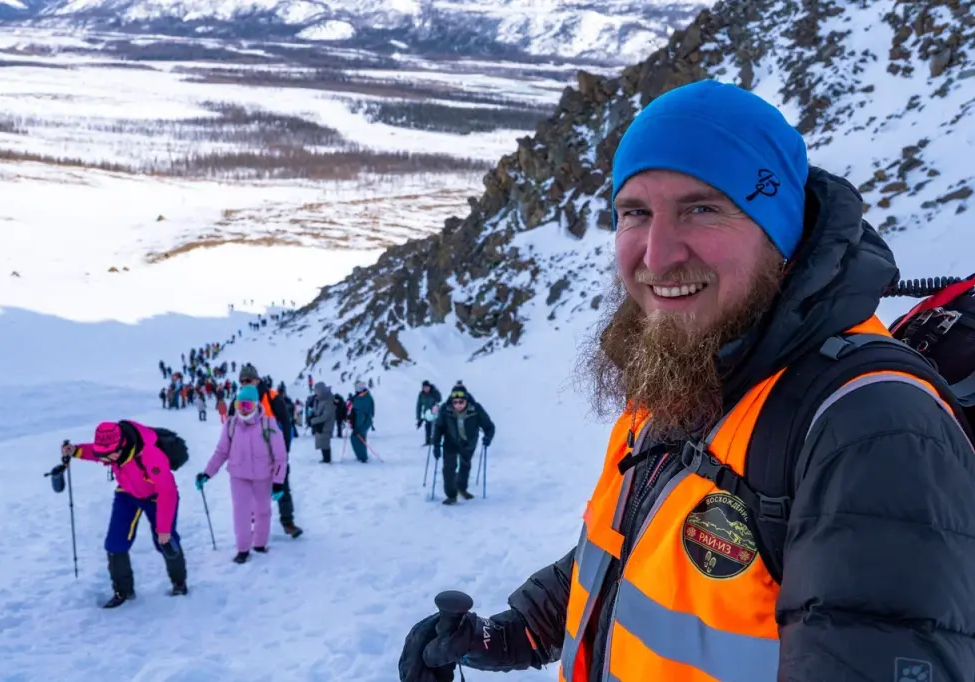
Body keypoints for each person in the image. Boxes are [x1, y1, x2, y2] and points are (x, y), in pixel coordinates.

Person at [398, 80, 975, 681]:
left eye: (702, 208)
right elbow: (631, 551)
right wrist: (513, 634)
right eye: (636, 213)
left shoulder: (871, 431)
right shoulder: (702, 365)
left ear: (780, 232)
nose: (659, 253)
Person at [55, 421, 187, 608]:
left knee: (165, 541)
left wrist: (164, 529)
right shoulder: (112, 451)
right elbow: (97, 451)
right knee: (115, 543)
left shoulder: (150, 455)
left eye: (107, 456)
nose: (105, 460)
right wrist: (75, 451)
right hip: (127, 492)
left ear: (122, 446)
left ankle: (179, 582)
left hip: (157, 497)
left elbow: (168, 492)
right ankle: (123, 591)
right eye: (103, 456)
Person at [196, 386, 287, 563]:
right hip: (238, 475)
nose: (243, 409)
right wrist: (207, 473)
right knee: (241, 513)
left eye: (247, 405)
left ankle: (260, 543)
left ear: (256, 405)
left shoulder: (269, 424)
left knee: (263, 511)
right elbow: (221, 452)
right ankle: (243, 549)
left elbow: (280, 457)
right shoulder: (231, 425)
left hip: (263, 476)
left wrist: (278, 482)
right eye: (239, 405)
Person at [230, 363, 303, 538]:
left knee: (282, 486)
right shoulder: (238, 399)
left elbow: (286, 423)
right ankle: (256, 526)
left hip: (275, 452)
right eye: (242, 381)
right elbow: (232, 427)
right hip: (251, 456)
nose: (246, 383)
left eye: (249, 379)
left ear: (257, 379)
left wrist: (284, 450)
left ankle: (288, 522)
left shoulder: (272, 397)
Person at [430, 385, 494, 505]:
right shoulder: (445, 409)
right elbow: (439, 428)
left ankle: (461, 488)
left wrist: (488, 437)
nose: (458, 405)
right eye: (455, 402)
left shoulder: (476, 409)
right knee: (449, 468)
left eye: (461, 402)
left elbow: (489, 426)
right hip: (451, 441)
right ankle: (451, 495)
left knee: (465, 465)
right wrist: (436, 445)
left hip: (469, 442)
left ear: (466, 400)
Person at [308, 382, 336, 463]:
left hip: (326, 425)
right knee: (321, 441)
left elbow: (326, 416)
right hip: (321, 425)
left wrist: (313, 420)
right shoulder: (320, 399)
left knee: (325, 442)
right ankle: (325, 458)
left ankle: (327, 459)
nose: (315, 392)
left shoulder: (328, 400)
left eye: (316, 390)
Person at [348, 381, 374, 463]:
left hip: (363, 422)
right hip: (358, 421)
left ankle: (363, 457)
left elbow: (367, 413)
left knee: (359, 438)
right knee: (356, 438)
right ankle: (361, 456)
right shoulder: (359, 396)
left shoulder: (366, 398)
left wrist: (362, 426)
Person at [415, 381, 442, 446]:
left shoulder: (434, 392)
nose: (426, 389)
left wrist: (437, 404)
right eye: (424, 388)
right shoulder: (421, 395)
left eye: (427, 387)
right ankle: (428, 441)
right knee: (427, 426)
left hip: (435, 413)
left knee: (435, 426)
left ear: (429, 387)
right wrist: (419, 418)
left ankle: (436, 440)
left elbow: (440, 400)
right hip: (427, 414)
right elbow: (419, 406)